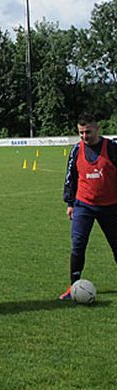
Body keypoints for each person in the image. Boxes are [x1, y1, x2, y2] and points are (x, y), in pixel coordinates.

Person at [60, 113, 117, 299]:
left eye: (88, 132)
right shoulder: (76, 150)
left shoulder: (112, 148)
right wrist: (70, 203)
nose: (85, 136)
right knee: (77, 246)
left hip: (111, 206)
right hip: (83, 205)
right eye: (81, 133)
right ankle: (73, 286)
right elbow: (70, 178)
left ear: (97, 129)